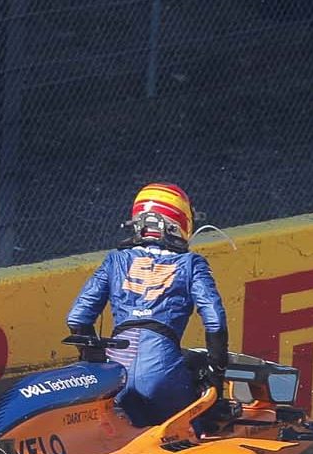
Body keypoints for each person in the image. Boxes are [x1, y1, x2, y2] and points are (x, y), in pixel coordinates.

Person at [66, 182, 229, 427]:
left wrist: (98, 360)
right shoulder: (191, 263)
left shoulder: (115, 260)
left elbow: (77, 318)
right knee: (199, 428)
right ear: (179, 223)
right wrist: (216, 376)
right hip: (164, 373)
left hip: (115, 373)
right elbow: (215, 320)